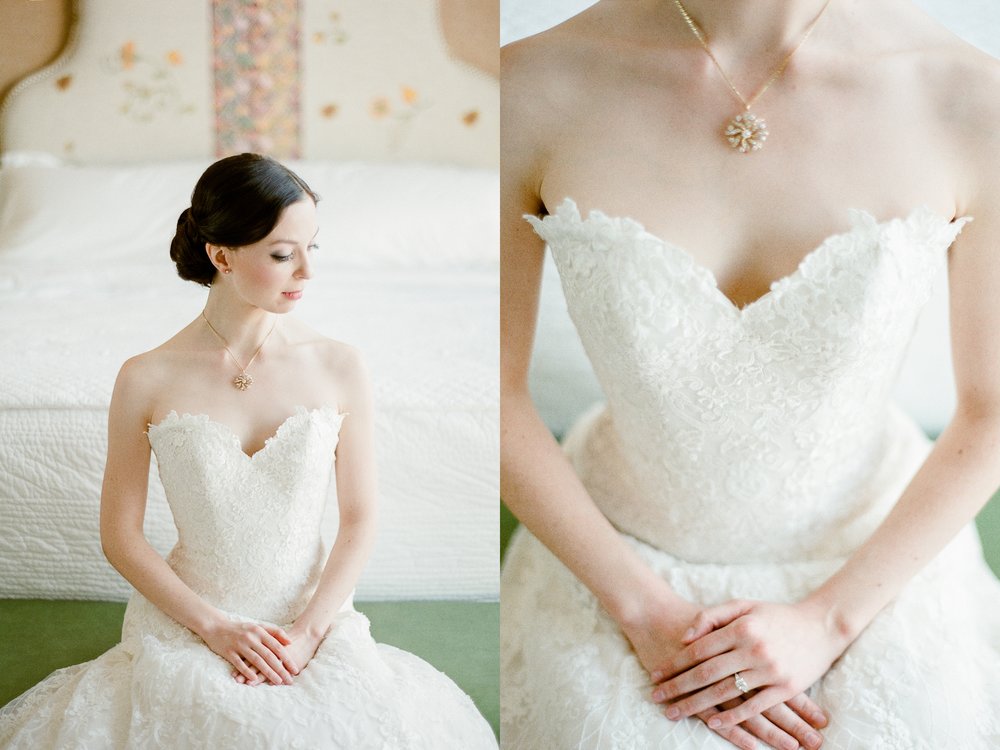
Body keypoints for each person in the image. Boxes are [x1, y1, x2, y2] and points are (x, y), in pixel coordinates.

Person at [500, 1, 1000, 748]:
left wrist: (830, 620)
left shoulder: (970, 95)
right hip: (617, 552)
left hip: (874, 556)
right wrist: (644, 614)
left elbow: (993, 406)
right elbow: (495, 393)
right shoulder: (527, 85)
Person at [0, 153, 497, 749]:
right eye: (284, 253)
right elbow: (120, 536)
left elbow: (361, 517)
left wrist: (310, 634)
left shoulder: (340, 365)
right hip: (192, 616)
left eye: (314, 247)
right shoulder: (144, 377)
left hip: (309, 615)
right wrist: (215, 628)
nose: (307, 271)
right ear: (222, 255)